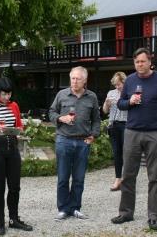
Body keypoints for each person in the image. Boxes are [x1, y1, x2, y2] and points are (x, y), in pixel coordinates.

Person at [111, 48, 157, 231]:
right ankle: (125, 213)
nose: (140, 64)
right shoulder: (130, 80)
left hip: (155, 133)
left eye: (142, 61)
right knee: (128, 174)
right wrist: (129, 101)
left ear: (150, 62)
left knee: (155, 177)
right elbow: (121, 104)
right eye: (137, 62)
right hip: (132, 132)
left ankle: (153, 216)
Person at [0, 77, 33, 235]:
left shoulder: (14, 105)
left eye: (9, 94)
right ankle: (0, 222)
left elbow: (19, 125)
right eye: (4, 94)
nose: (7, 97)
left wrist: (18, 129)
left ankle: (14, 219)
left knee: (15, 187)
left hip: (12, 149)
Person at [49, 66, 101, 221]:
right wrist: (61, 118)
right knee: (63, 177)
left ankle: (75, 207)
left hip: (82, 142)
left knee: (79, 178)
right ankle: (63, 209)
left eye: (78, 78)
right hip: (64, 140)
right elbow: (51, 112)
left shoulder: (91, 97)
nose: (75, 81)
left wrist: (94, 134)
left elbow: (97, 119)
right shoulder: (62, 94)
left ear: (85, 80)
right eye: (72, 78)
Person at [102, 72, 127, 191]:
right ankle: (118, 179)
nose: (117, 87)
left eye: (119, 84)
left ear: (124, 82)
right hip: (113, 125)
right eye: (115, 85)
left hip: (126, 125)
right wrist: (107, 103)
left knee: (127, 153)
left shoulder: (129, 93)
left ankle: (127, 180)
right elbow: (105, 111)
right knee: (116, 153)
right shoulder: (111, 93)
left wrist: (120, 101)